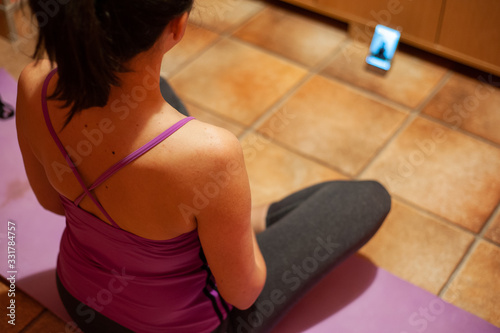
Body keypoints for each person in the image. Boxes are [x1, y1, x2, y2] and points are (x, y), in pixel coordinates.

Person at [16, 1, 391, 332]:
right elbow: (244, 295)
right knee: (367, 198)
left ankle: (227, 219)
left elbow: (52, 202)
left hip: (79, 301)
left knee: (158, 91)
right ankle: (232, 221)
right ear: (176, 26)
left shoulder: (32, 83)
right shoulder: (213, 155)